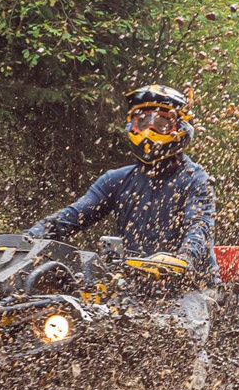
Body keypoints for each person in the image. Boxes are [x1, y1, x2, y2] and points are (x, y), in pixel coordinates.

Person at [26, 84, 219, 361]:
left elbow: (199, 225)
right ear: (132, 125)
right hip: (133, 287)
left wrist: (183, 258)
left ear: (180, 128)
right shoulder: (116, 179)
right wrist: (28, 239)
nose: (150, 130)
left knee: (184, 344)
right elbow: (72, 217)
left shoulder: (195, 179)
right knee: (85, 341)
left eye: (161, 122)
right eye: (143, 121)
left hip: (188, 289)